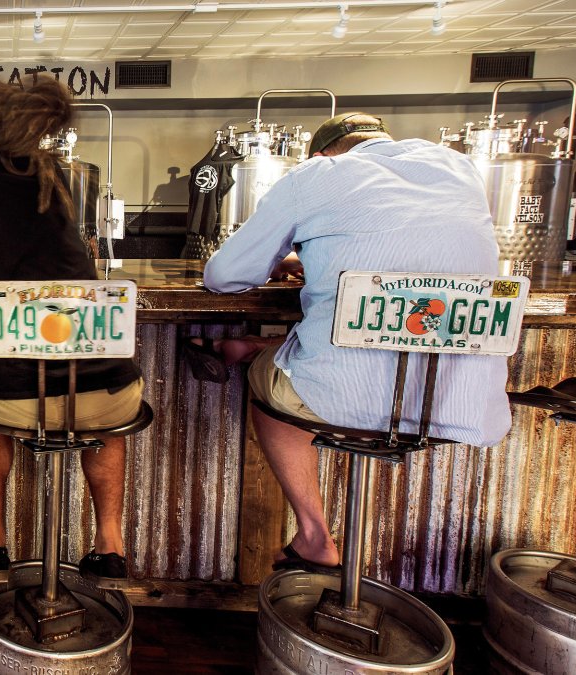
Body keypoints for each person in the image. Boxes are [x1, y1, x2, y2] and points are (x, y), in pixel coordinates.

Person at [201, 112, 509, 571]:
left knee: (272, 388)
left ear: (323, 152)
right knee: (332, 338)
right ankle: (258, 347)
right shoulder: (459, 167)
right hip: (454, 401)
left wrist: (278, 258)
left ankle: (314, 535)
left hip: (345, 398)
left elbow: (223, 276)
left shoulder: (316, 175)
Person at [0, 76, 144, 588]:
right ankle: (109, 543)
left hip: (13, 400)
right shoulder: (51, 171)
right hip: (109, 394)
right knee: (101, 409)